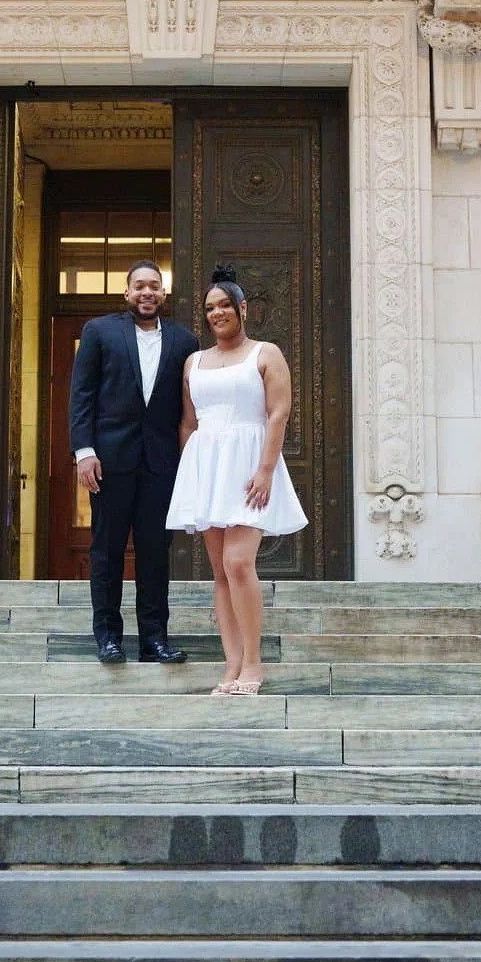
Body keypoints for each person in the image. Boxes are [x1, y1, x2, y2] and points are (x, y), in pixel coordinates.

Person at [166, 264, 308, 696]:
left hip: (250, 465)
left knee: (239, 563)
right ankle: (230, 665)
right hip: (207, 466)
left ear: (243, 308)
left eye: (225, 304)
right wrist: (191, 474)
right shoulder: (194, 362)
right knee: (220, 572)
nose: (217, 313)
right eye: (210, 307)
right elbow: (188, 422)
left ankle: (253, 664)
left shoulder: (266, 353)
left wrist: (265, 469)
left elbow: (278, 412)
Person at [70, 259, 199, 665]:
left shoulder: (185, 342)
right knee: (106, 551)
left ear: (164, 294)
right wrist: (84, 451)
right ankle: (108, 638)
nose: (147, 292)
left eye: (155, 286)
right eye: (139, 286)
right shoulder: (99, 332)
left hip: (161, 465)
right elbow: (82, 395)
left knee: (154, 555)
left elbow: (189, 408)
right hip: (109, 462)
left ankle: (154, 641)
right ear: (126, 293)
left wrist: (190, 462)